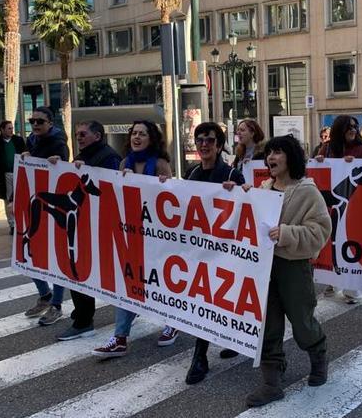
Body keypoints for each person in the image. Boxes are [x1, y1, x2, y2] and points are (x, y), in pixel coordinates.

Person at [243, 135, 332, 407]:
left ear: (290, 156)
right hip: (264, 267)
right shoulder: (263, 188)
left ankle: (319, 357)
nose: (271, 157)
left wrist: (287, 234)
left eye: (277, 152)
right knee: (268, 324)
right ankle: (271, 381)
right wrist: (235, 195)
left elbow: (321, 231)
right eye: (269, 152)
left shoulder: (307, 191)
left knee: (302, 321)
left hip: (293, 267)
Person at [91, 121, 181, 353]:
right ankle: (119, 337)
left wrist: (163, 186)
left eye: (142, 134)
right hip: (131, 237)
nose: (137, 137)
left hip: (157, 239)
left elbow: (168, 204)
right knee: (128, 284)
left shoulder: (161, 164)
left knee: (162, 284)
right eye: (134, 133)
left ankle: (173, 323)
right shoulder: (123, 163)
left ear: (151, 139)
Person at [182, 121, 245, 385]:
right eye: (200, 140)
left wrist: (238, 194)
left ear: (219, 145)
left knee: (229, 300)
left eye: (209, 140)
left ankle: (239, 339)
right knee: (202, 303)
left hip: (226, 252)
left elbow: (247, 209)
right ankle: (200, 356)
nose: (204, 145)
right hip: (200, 251)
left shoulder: (232, 176)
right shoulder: (192, 174)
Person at [50, 120, 122, 341]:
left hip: (96, 226)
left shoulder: (108, 157)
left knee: (86, 272)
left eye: (83, 134)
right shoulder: (84, 156)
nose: (78, 137)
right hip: (83, 224)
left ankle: (84, 320)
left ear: (97, 136)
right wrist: (56, 165)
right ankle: (82, 316)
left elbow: (107, 189)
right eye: (77, 134)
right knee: (77, 272)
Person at [315, 115, 362, 303]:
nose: (352, 130)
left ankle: (353, 289)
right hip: (334, 205)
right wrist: (318, 160)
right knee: (333, 239)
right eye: (348, 127)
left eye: (355, 126)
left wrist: (356, 165)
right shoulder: (327, 148)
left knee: (351, 240)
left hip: (357, 208)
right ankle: (334, 280)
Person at [20, 106, 69, 325]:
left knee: (55, 260)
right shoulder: (31, 141)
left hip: (54, 208)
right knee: (28, 253)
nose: (35, 125)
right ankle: (45, 295)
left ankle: (56, 305)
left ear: (50, 123)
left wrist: (56, 162)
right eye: (32, 121)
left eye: (40, 121)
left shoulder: (58, 143)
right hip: (34, 205)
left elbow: (64, 170)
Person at [0, 121, 27, 236]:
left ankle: (23, 222)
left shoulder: (18, 140)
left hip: (19, 173)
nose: (11, 130)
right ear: (2, 129)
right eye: (9, 128)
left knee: (21, 198)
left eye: (12, 128)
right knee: (9, 200)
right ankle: (12, 224)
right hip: (5, 175)